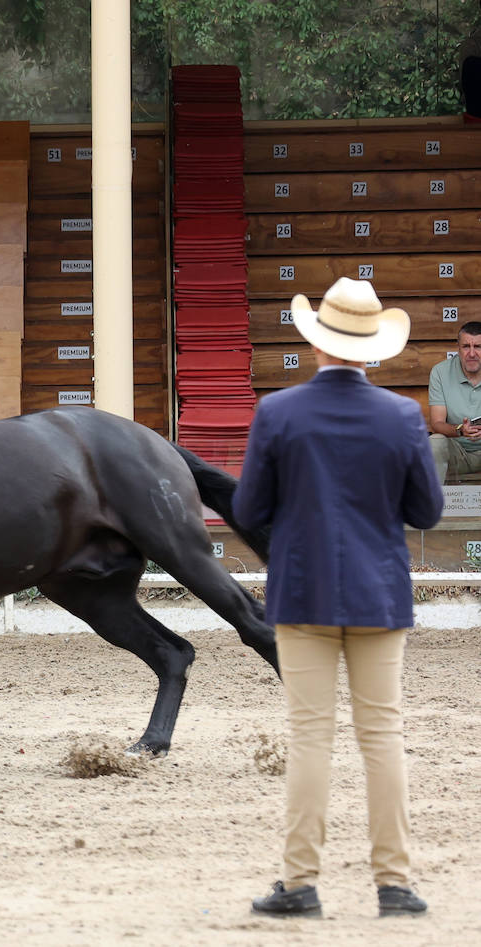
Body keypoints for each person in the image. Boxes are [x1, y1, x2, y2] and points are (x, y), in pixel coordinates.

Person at [233, 278, 443, 920]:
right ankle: (395, 884)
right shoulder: (403, 416)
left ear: (315, 341)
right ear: (372, 346)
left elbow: (248, 508)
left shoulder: (278, 412)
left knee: (310, 738)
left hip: (303, 590)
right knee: (383, 734)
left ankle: (300, 883)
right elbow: (428, 511)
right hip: (379, 591)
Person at [426, 321, 481, 486]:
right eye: (466, 346)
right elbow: (437, 423)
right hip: (457, 451)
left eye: (478, 346)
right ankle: (433, 507)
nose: (472, 353)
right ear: (458, 348)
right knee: (434, 442)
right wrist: (460, 430)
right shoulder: (440, 372)